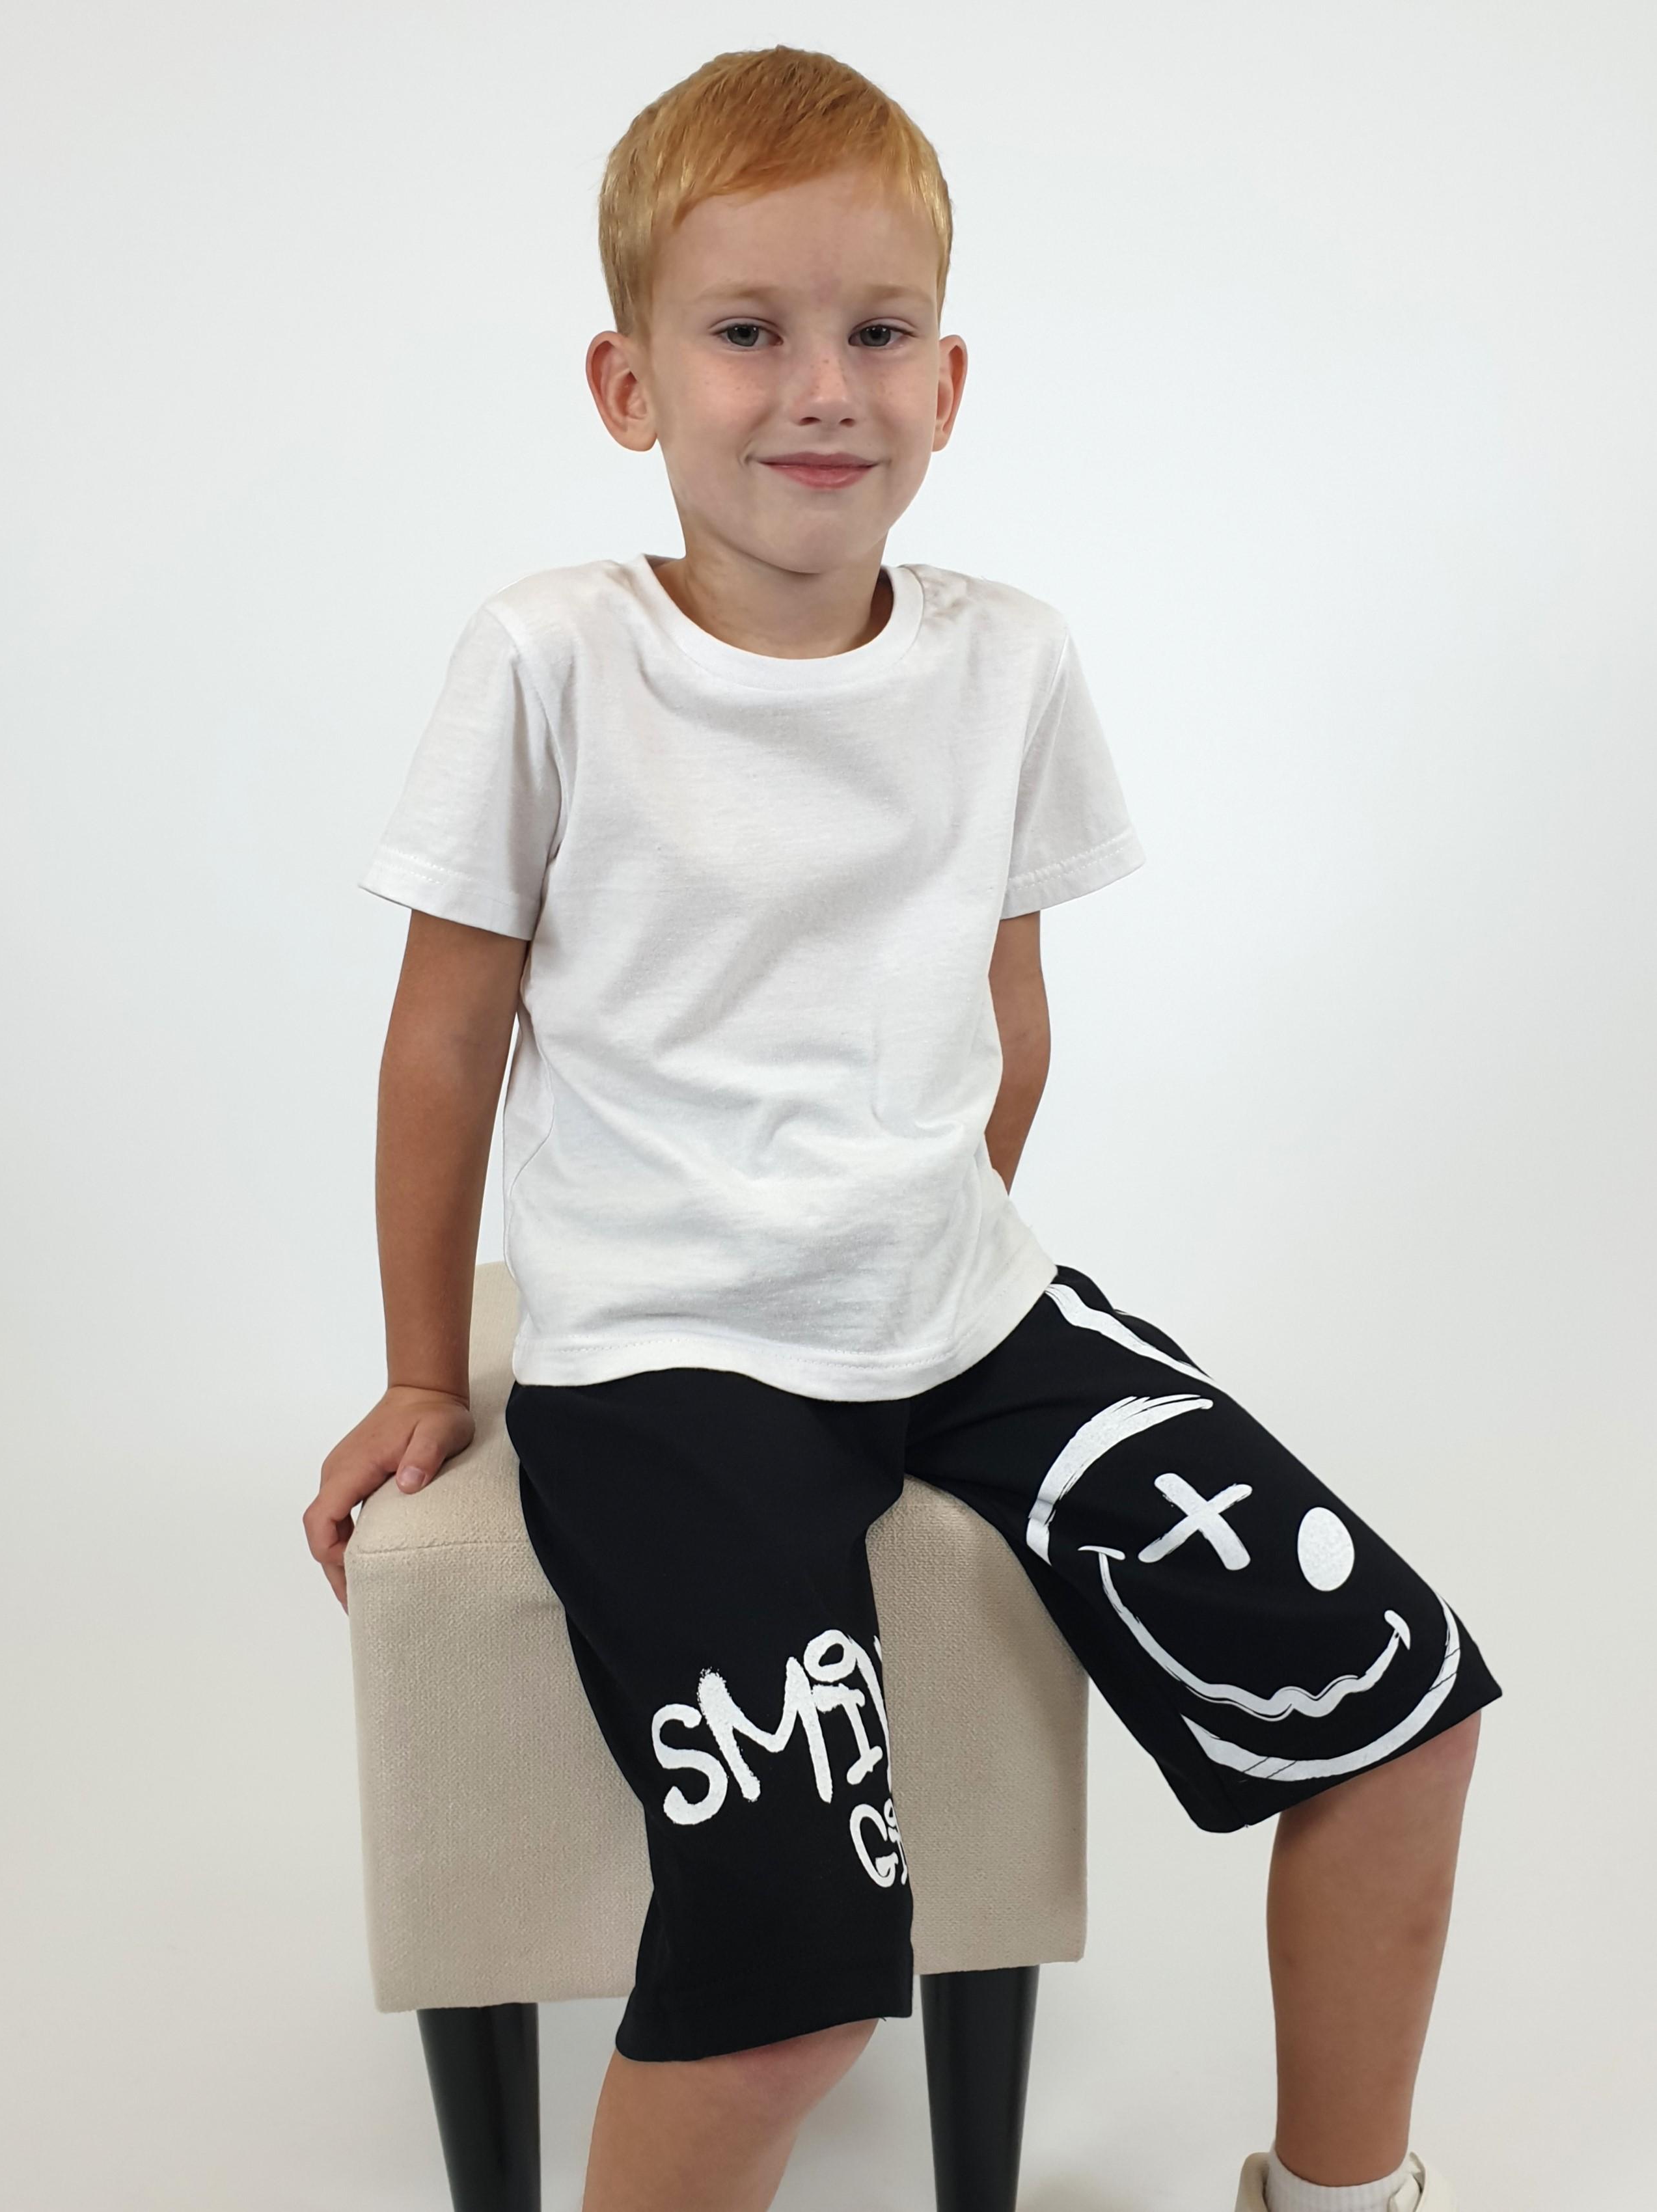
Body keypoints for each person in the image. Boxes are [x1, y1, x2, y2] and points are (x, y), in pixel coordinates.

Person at [304, 44, 1501, 2212]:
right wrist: (417, 1370)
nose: (820, 390)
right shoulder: (553, 659)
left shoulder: (1006, 661)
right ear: (628, 384)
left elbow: (1003, 1015)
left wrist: (923, 1243)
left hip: (966, 1308)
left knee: (1403, 1713)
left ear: (951, 380)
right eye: (746, 332)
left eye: (877, 334)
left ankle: (1343, 2198)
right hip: (668, 1357)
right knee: (789, 1994)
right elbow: (444, 1037)